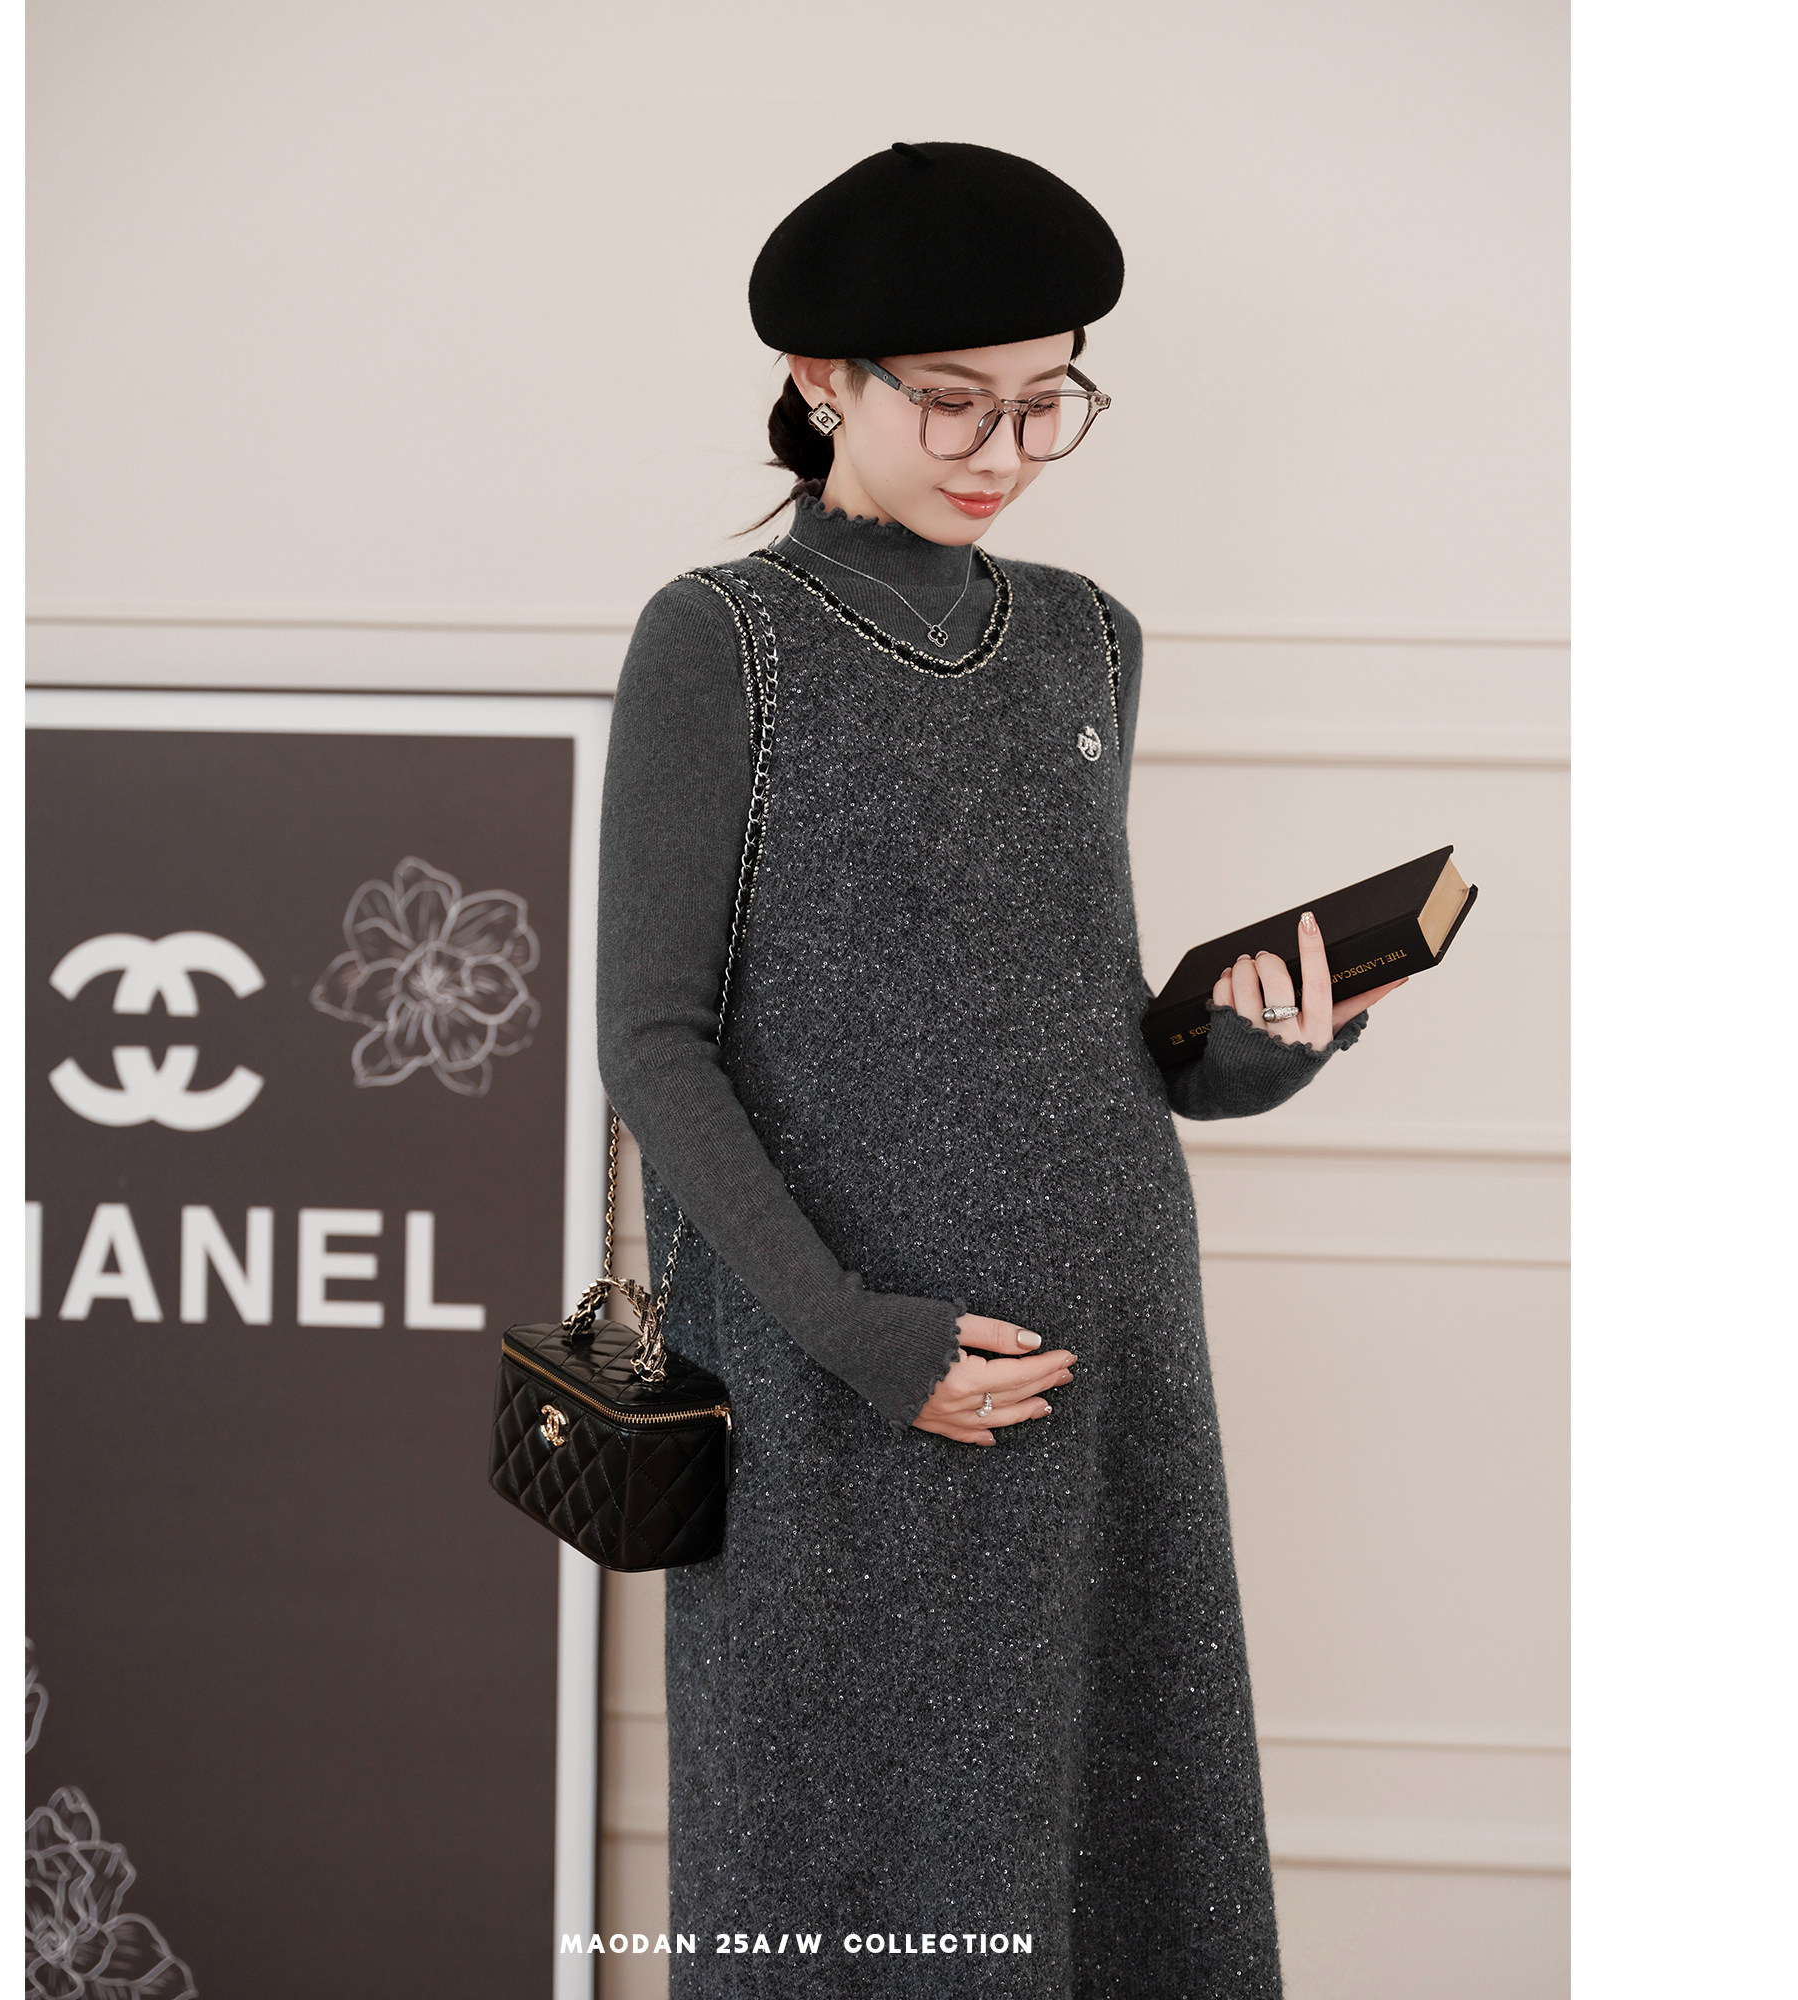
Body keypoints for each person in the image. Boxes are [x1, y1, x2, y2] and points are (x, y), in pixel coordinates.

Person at [596, 142, 1400, 1998]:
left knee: (1119, 1864)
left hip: (1107, 1359)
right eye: (956, 402)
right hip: (844, 1375)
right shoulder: (720, 643)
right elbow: (652, 1040)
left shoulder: (1089, 638)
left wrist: (1252, 1051)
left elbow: (1078, 1018)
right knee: (850, 1880)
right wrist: (856, 1336)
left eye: (1048, 404)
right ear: (822, 382)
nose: (1005, 451)